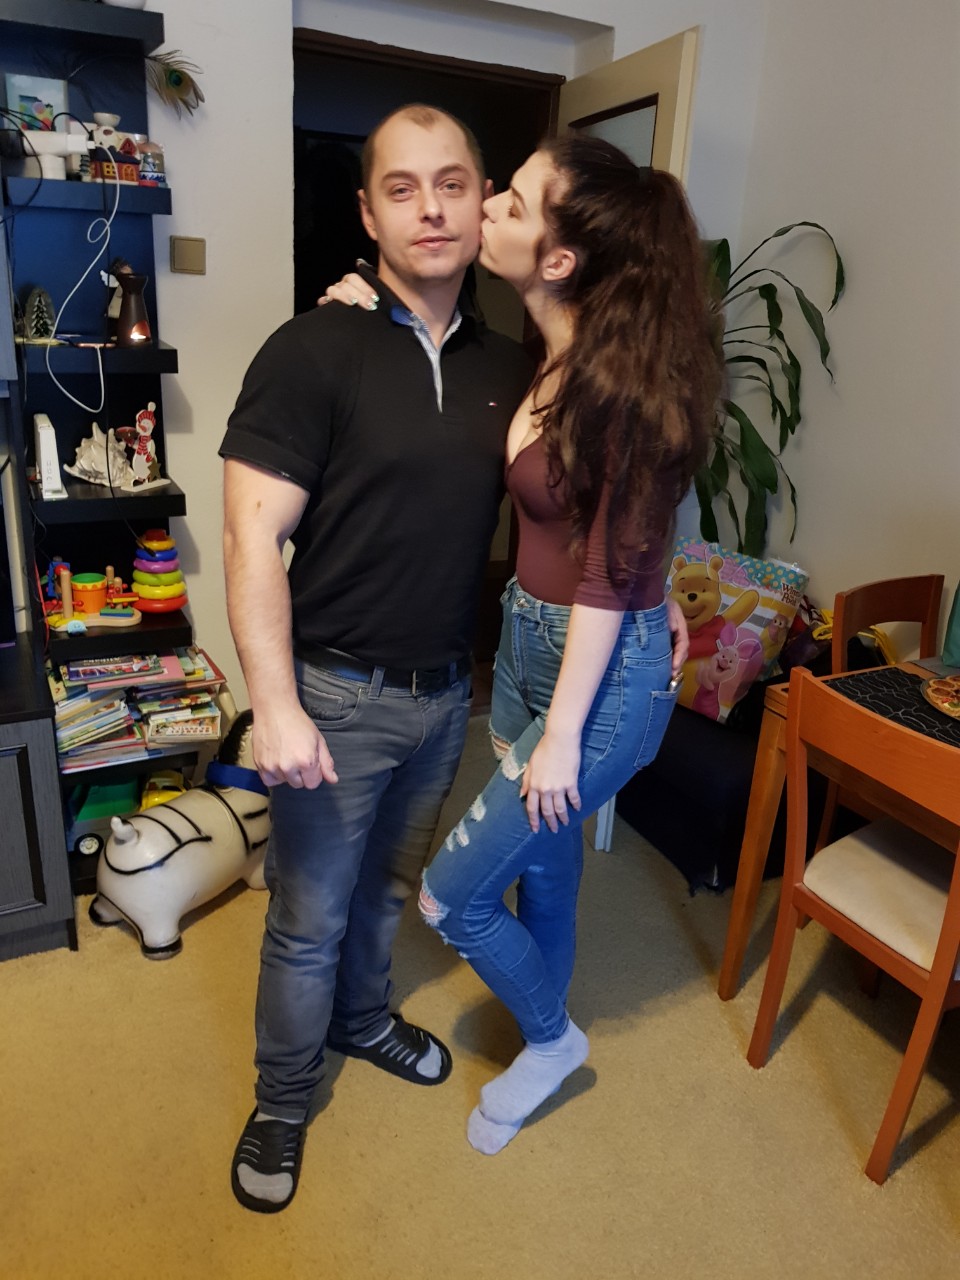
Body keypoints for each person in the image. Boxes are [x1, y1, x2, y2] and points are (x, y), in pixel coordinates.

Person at [219, 104, 534, 1213]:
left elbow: (575, 501)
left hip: (446, 697)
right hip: (332, 697)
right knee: (307, 918)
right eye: (402, 188)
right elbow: (250, 536)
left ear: (484, 202)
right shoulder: (314, 347)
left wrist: (653, 600)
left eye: (453, 184)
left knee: (389, 891)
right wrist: (273, 705)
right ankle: (282, 1097)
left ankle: (361, 1021)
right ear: (367, 213)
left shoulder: (515, 367)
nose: (431, 208)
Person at [411, 137, 718, 1154]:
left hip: (602, 680)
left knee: (450, 897)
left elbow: (603, 573)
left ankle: (552, 1039)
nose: (487, 205)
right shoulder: (551, 354)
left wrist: (562, 735)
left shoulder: (619, 387)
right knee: (544, 868)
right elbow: (620, 520)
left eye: (513, 199)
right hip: (530, 646)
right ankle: (544, 1027)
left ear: (558, 259)